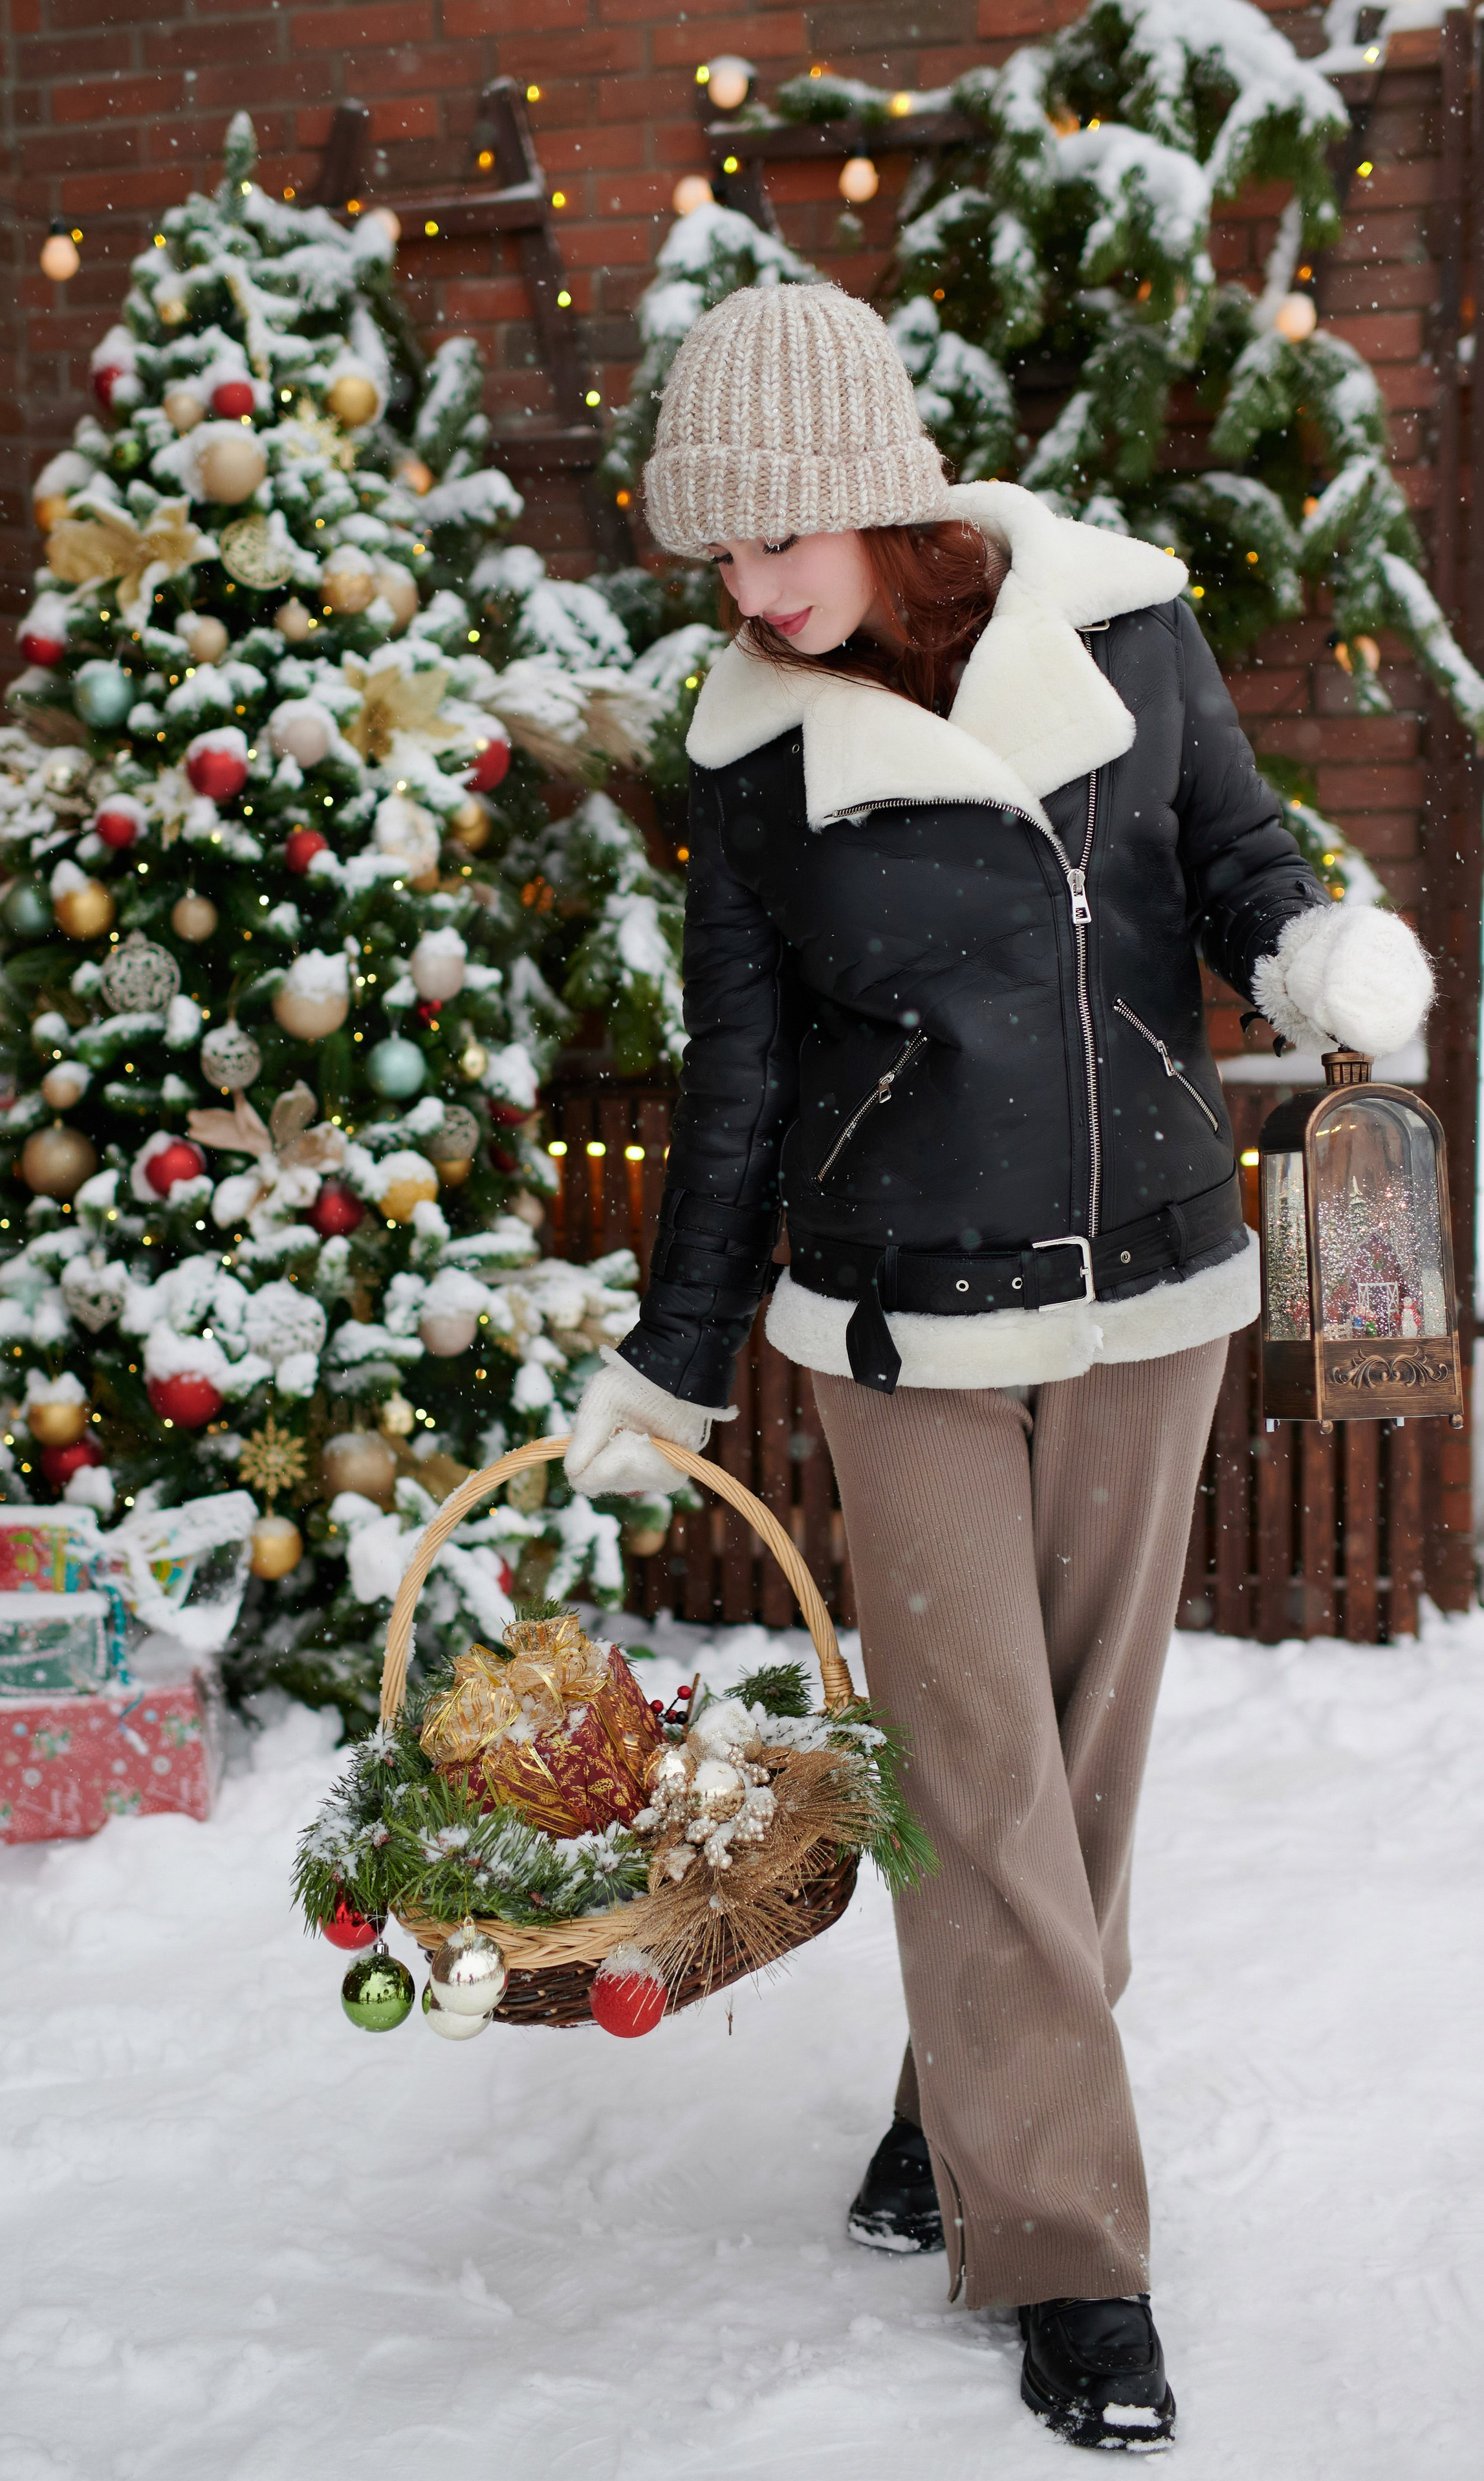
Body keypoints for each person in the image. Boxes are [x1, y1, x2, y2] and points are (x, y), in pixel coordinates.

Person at [565, 283, 1433, 2453]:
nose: (753, 587)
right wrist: (676, 1359)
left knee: (1082, 1766)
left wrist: (1318, 955)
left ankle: (954, 2098)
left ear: (882, 492)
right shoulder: (750, 756)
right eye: (720, 550)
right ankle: (1067, 2250)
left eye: (784, 535)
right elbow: (736, 1084)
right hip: (902, 1319)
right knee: (970, 1768)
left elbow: (1236, 870)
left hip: (1154, 1289)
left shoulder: (1125, 628)